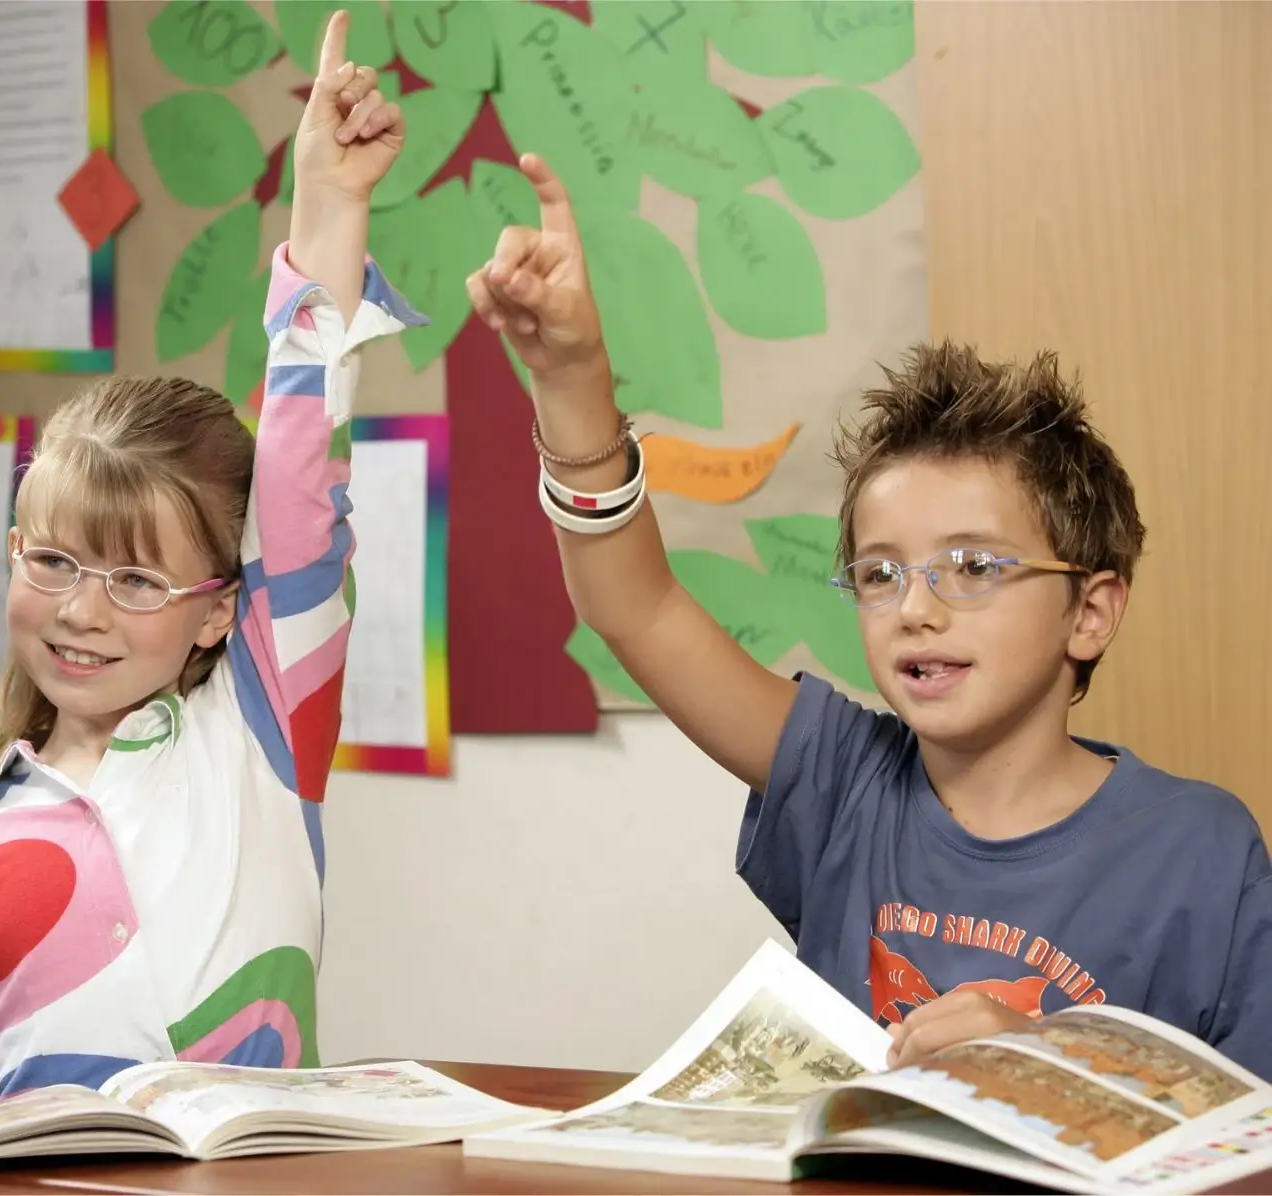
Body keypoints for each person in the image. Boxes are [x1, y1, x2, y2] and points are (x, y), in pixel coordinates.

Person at [467, 154, 1272, 1078]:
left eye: (972, 567)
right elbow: (636, 607)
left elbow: (1243, 1126)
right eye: (881, 574)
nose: (914, 609)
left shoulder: (1199, 849)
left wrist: (1050, 1067)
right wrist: (571, 375)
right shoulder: (842, 781)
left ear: (1089, 612)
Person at [0, 12, 420, 1140]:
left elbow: (300, 478)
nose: (79, 609)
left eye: (134, 581)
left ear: (220, 614)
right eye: (53, 560)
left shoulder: (263, 724)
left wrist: (327, 201)